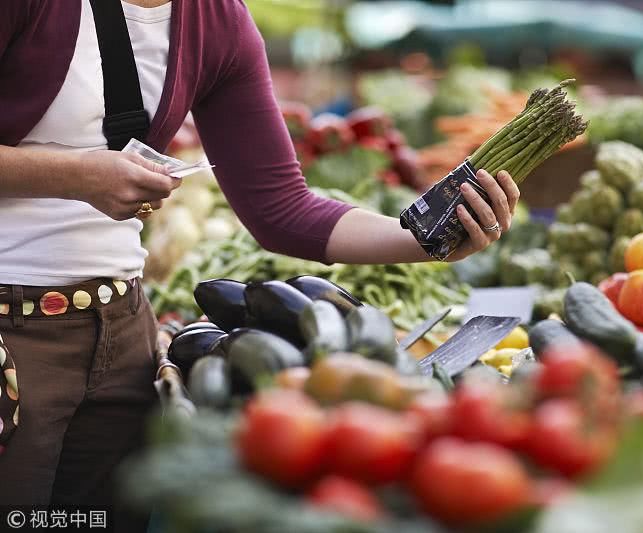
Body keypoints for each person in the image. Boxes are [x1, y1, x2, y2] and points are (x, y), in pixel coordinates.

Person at [0, 0, 519, 523]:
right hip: (12, 335)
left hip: (123, 332)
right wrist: (77, 175)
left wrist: (424, 241)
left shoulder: (217, 19)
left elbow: (280, 208)